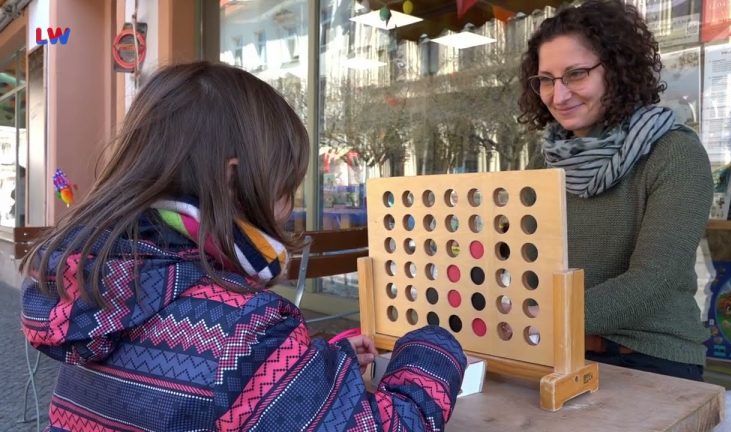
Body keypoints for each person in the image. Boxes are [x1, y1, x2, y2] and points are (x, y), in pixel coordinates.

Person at [20, 62, 466, 431]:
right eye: (286, 188)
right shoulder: (243, 332)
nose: (289, 209)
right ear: (233, 182)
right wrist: (431, 346)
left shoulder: (96, 292)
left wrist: (320, 367)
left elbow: (210, 391)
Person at [518, 0, 713, 381]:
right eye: (546, 80)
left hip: (649, 356)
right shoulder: (545, 164)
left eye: (576, 74)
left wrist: (538, 316)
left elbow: (652, 281)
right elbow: (519, 262)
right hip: (552, 345)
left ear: (619, 69)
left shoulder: (675, 153)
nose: (559, 96)